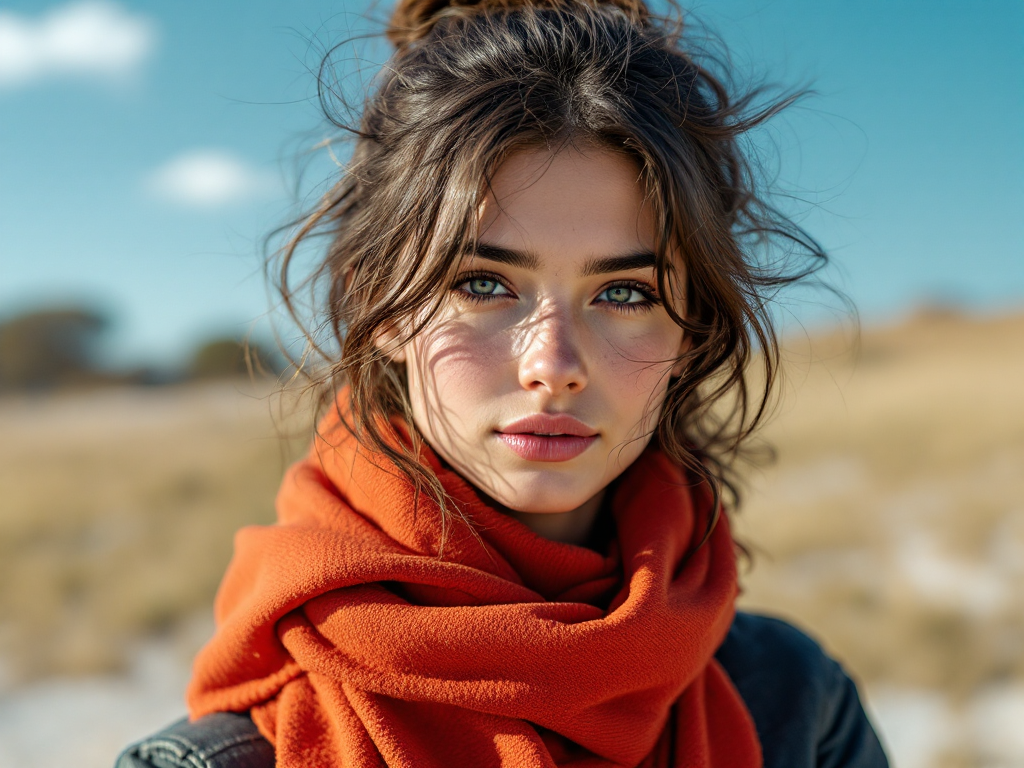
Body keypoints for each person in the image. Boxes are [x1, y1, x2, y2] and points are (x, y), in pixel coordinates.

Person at [117, 0, 889, 766]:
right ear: (377, 304)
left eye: (625, 294)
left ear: (693, 329)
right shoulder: (226, 757)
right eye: (483, 285)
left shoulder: (794, 702)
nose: (551, 364)